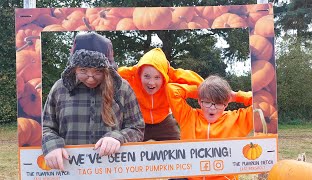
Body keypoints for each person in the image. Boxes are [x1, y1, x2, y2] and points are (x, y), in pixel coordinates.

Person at [42, 32, 145, 171]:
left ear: (107, 70)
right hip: (70, 172)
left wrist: (117, 137)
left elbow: (137, 127)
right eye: (83, 70)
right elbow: (45, 127)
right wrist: (52, 145)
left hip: (112, 172)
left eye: (98, 71)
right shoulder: (60, 89)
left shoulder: (122, 89)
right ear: (74, 68)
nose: (91, 78)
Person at [166, 75, 253, 180]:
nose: (212, 108)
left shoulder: (237, 119)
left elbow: (265, 102)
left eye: (218, 103)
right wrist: (203, 90)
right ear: (199, 101)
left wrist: (235, 96)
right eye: (207, 102)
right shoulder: (188, 116)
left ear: (226, 104)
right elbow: (171, 90)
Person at [118, 48, 204, 141]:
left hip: (164, 121)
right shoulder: (132, 79)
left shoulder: (169, 79)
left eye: (157, 77)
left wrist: (171, 72)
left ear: (164, 77)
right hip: (139, 123)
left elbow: (203, 87)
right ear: (139, 74)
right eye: (146, 76)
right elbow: (111, 76)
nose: (151, 82)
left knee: (178, 149)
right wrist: (134, 70)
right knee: (127, 148)